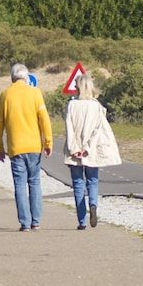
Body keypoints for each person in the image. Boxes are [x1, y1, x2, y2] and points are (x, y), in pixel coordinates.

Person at [0, 61, 54, 232]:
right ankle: (36, 221)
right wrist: (48, 142)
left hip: (15, 148)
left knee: (19, 184)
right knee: (34, 182)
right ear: (26, 77)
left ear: (12, 78)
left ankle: (24, 223)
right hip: (34, 146)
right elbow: (44, 119)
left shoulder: (5, 95)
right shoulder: (35, 93)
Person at [60, 72, 121, 230]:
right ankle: (93, 205)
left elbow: (69, 128)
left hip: (74, 150)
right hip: (91, 150)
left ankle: (82, 220)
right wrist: (87, 148)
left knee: (78, 183)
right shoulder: (97, 107)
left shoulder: (71, 105)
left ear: (78, 87)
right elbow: (98, 130)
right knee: (92, 180)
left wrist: (74, 148)